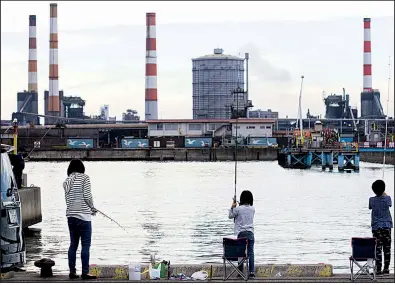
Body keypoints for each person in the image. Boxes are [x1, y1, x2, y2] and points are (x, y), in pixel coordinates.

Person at [63, 159, 97, 280]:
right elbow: (87, 196)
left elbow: (69, 199)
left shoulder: (66, 181)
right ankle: (85, 273)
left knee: (73, 245)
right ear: (81, 168)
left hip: (71, 216)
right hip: (84, 217)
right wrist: (92, 208)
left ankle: (72, 272)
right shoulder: (84, 178)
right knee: (85, 246)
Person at [228, 190, 255, 278]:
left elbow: (230, 216)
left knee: (240, 253)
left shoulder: (238, 209)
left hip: (241, 233)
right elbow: (244, 213)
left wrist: (232, 206)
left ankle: (240, 272)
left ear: (241, 198)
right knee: (250, 252)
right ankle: (251, 272)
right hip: (250, 233)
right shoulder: (252, 209)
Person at [369, 179, 393, 275]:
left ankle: (378, 269)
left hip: (376, 227)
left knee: (378, 248)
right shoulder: (388, 198)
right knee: (387, 248)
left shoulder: (371, 200)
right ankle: (386, 268)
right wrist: (384, 193)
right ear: (383, 189)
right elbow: (389, 204)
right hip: (387, 226)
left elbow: (370, 207)